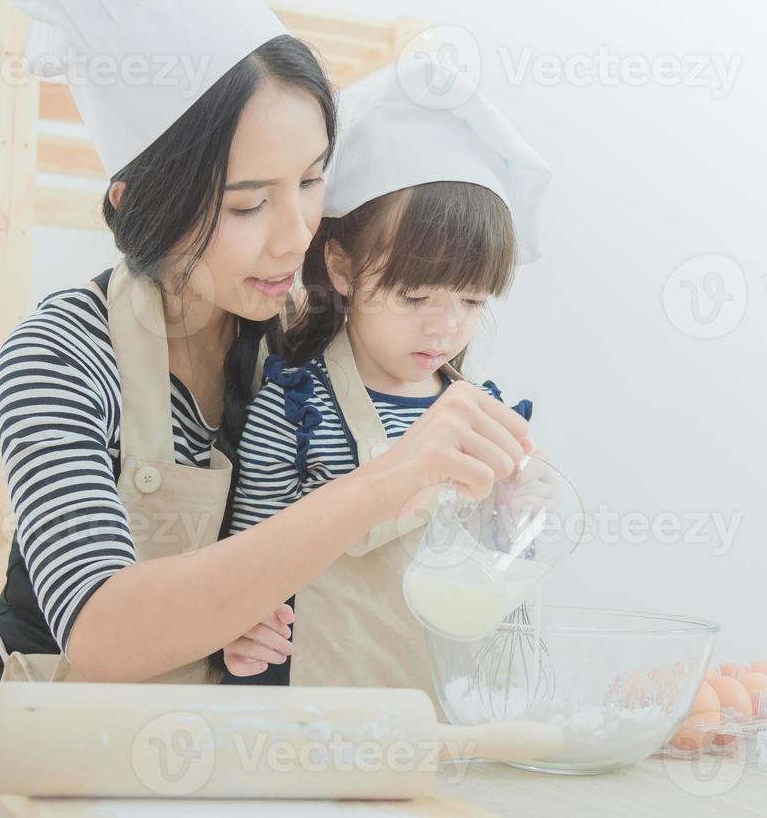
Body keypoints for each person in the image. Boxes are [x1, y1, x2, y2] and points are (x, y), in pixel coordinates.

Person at [0, 0, 530, 721]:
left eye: (313, 181)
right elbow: (104, 633)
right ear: (140, 207)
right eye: (248, 203)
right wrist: (385, 481)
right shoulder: (59, 353)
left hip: (198, 751)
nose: (296, 234)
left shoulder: (309, 343)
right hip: (26, 739)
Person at [221, 57, 550, 699]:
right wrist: (241, 629)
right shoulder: (295, 409)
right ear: (342, 268)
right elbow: (243, 569)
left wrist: (517, 519)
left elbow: (491, 570)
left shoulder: (484, 416)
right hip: (325, 716)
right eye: (415, 297)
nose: (444, 329)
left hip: (452, 715)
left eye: (473, 301)